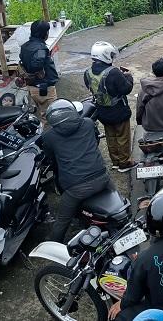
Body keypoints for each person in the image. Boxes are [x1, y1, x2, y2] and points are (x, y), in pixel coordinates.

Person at [41, 99, 114, 242]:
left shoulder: (49, 137)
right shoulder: (87, 123)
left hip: (76, 188)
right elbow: (95, 139)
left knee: (62, 220)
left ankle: (53, 245)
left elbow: (50, 158)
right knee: (119, 202)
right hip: (102, 177)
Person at [84, 41, 135, 172]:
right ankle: (124, 163)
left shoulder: (87, 72)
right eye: (111, 55)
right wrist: (128, 77)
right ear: (104, 55)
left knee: (110, 137)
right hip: (118, 111)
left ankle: (116, 161)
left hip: (103, 111)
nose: (112, 57)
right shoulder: (113, 72)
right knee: (122, 137)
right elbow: (126, 89)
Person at [19, 20, 59, 125]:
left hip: (32, 87)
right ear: (45, 33)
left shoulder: (25, 46)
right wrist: (37, 71)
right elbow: (36, 64)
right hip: (43, 88)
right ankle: (48, 140)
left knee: (37, 119)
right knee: (50, 119)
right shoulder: (41, 48)